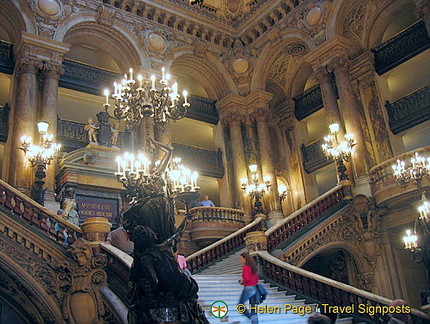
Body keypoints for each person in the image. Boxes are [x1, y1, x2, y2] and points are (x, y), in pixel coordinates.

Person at [238, 252, 259, 324]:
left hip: (248, 288)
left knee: (240, 305)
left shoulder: (246, 267)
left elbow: (246, 278)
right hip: (254, 287)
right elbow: (256, 279)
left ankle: (250, 317)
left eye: (241, 259)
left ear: (245, 259)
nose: (240, 261)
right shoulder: (254, 268)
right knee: (253, 307)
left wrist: (241, 282)